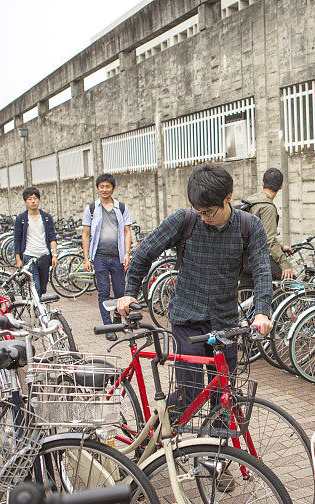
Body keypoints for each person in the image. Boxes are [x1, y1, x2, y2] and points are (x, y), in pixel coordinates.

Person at [116, 164, 273, 442]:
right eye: (199, 212)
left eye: (209, 212)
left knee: (224, 394)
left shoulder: (250, 226)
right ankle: (160, 427)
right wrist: (130, 291)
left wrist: (262, 311)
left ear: (228, 198)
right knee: (190, 392)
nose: (204, 218)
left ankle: (215, 459)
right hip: (187, 319)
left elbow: (262, 270)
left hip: (225, 323)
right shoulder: (184, 221)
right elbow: (143, 253)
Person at [82, 173, 133, 341]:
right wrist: (86, 258)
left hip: (117, 257)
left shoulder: (122, 208)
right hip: (100, 257)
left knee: (120, 291)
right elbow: (86, 234)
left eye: (107, 187)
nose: (104, 189)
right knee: (103, 291)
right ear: (97, 188)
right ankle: (108, 326)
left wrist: (127, 253)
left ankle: (118, 321)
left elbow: (127, 232)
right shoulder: (91, 208)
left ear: (113, 189)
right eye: (101, 186)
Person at [240, 167, 294, 282]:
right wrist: (285, 264)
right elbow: (269, 239)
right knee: (289, 279)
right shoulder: (267, 207)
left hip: (244, 257)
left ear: (262, 183)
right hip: (255, 257)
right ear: (281, 186)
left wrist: (281, 246)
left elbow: (260, 234)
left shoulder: (251, 201)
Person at [14, 187, 58, 296]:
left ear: (39, 200)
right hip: (29, 256)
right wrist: (18, 259)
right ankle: (39, 311)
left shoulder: (47, 217)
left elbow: (52, 237)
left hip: (45, 256)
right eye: (29, 199)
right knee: (35, 287)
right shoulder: (21, 219)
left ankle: (38, 306)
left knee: (43, 288)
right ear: (25, 202)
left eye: (35, 198)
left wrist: (54, 255)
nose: (33, 201)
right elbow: (17, 239)